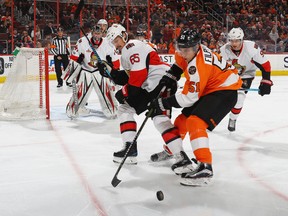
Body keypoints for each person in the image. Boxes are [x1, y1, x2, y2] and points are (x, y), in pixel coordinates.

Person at [149, 29, 242, 186]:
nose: (183, 52)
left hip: (225, 91)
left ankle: (205, 167)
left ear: (196, 47)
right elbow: (179, 64)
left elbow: (187, 98)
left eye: (187, 50)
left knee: (195, 122)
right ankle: (172, 150)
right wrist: (170, 76)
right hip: (210, 88)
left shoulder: (198, 66)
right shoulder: (187, 51)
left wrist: (162, 103)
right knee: (182, 120)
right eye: (181, 48)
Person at [98, 23, 174, 164]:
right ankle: (175, 151)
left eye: (116, 40)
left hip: (156, 83)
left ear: (124, 35)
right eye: (112, 43)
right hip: (162, 81)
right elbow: (129, 76)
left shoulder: (131, 46)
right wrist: (110, 72)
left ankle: (130, 150)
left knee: (125, 109)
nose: (116, 45)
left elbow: (137, 77)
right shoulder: (131, 49)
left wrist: (124, 92)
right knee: (159, 118)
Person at [220, 27, 273, 132]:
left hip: (246, 75)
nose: (234, 43)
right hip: (229, 75)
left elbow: (265, 65)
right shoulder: (223, 50)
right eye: (231, 41)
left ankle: (233, 118)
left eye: (236, 41)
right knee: (219, 98)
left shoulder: (251, 48)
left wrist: (266, 82)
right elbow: (215, 68)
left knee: (239, 98)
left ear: (241, 40)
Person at [62, 24, 119, 119]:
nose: (97, 35)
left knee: (106, 93)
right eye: (95, 33)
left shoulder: (108, 44)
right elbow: (74, 58)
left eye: (99, 33)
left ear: (102, 34)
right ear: (92, 33)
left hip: (100, 72)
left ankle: (111, 110)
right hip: (86, 71)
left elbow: (115, 62)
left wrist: (111, 65)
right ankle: (72, 110)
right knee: (80, 93)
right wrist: (77, 63)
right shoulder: (82, 42)